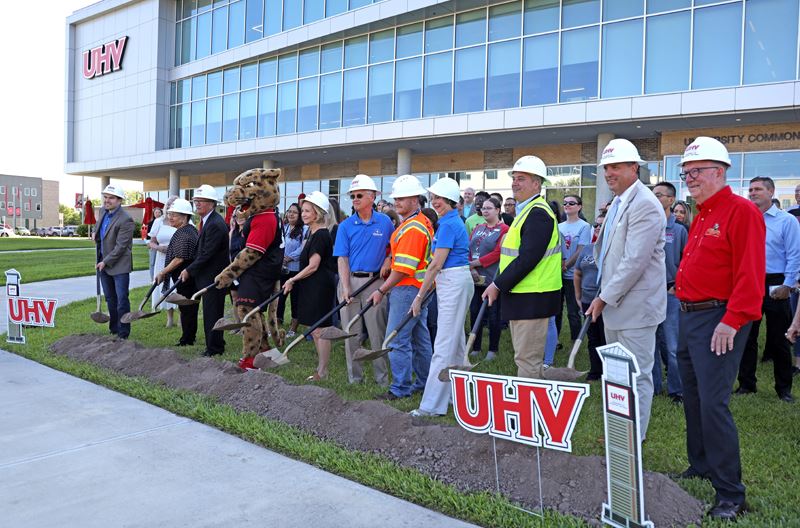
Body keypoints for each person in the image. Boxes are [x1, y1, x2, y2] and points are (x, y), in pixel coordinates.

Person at [673, 136, 766, 520]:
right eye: (686, 173)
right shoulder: (703, 213)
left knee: (713, 404)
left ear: (720, 171)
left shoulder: (740, 211)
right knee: (693, 397)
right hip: (690, 316)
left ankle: (731, 494)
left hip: (719, 318)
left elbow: (750, 273)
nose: (690, 178)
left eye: (697, 171)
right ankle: (701, 464)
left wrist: (732, 320)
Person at [586, 138, 666, 439]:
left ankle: (636, 436)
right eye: (606, 168)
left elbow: (634, 262)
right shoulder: (619, 202)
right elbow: (609, 253)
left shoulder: (644, 204)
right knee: (618, 373)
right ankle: (622, 430)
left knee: (637, 374)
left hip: (636, 308)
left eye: (616, 166)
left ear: (635, 167)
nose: (609, 173)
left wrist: (604, 297)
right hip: (616, 305)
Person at [482, 156, 561, 379]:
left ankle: (531, 411)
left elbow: (528, 258)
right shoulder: (525, 211)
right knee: (524, 359)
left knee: (528, 362)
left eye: (522, 179)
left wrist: (497, 285)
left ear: (537, 183)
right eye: (514, 178)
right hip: (522, 295)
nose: (515, 183)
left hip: (533, 298)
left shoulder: (538, 213)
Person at [411, 177, 474, 417]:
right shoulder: (449, 221)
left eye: (439, 198)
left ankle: (431, 406)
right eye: (433, 198)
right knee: (455, 344)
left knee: (444, 344)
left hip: (453, 280)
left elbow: (435, 264)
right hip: (453, 280)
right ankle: (456, 398)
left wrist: (419, 296)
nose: (435, 202)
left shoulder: (449, 224)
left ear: (450, 200)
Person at [368, 175, 434, 400]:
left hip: (408, 289)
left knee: (397, 338)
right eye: (396, 198)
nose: (397, 202)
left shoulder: (414, 227)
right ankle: (425, 382)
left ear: (415, 200)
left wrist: (381, 290)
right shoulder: (415, 222)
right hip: (418, 289)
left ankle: (400, 388)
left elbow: (404, 269)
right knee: (419, 337)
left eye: (402, 198)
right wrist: (389, 258)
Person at [735, 176, 798, 402]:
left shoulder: (786, 221)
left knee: (779, 339)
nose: (752, 193)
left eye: (758, 189)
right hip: (748, 281)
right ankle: (746, 384)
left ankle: (784, 389)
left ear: (771, 192)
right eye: (750, 189)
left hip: (776, 282)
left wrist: (788, 285)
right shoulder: (743, 219)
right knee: (747, 336)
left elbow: (794, 255)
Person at [334, 175, 393, 386]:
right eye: (352, 196)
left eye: (359, 195)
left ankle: (382, 378)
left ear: (373, 196)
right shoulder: (346, 226)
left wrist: (388, 259)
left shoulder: (385, 222)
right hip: (350, 280)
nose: (355, 199)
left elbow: (393, 248)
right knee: (351, 332)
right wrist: (346, 287)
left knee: (377, 331)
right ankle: (355, 378)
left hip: (375, 282)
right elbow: (342, 258)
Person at [283, 191, 337, 381]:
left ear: (318, 213)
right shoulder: (312, 233)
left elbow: (313, 266)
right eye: (303, 211)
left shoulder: (321, 235)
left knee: (320, 329)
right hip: (313, 285)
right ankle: (321, 370)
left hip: (320, 286)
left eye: (308, 211)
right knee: (315, 329)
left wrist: (292, 279)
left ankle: (322, 371)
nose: (303, 214)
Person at [180, 185, 229, 357]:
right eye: (195, 201)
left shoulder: (215, 223)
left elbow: (207, 253)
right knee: (211, 312)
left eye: (201, 201)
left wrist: (189, 269)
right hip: (207, 276)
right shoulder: (209, 221)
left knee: (212, 313)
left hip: (213, 277)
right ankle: (216, 343)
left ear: (212, 203)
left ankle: (214, 349)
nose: (197, 203)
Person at [651, 182, 688, 404]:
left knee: (672, 345)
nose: (654, 198)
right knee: (649, 344)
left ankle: (677, 389)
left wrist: (679, 286)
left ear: (670, 200)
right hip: (647, 294)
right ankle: (654, 386)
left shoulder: (679, 230)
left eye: (659, 195)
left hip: (671, 293)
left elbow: (687, 262)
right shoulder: (646, 225)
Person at [468, 197, 509, 361]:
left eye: (489, 208)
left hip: (493, 278)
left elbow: (499, 252)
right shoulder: (478, 228)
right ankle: (475, 347)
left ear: (498, 210)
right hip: (475, 277)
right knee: (474, 312)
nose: (485, 211)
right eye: (483, 208)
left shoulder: (505, 229)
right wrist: (472, 268)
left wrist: (477, 263)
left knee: (493, 314)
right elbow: (468, 247)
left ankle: (493, 349)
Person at [157, 199, 199, 347]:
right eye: (169, 214)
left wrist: (163, 272)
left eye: (174, 215)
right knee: (188, 308)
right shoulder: (186, 230)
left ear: (185, 216)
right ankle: (188, 337)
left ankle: (187, 340)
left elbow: (179, 258)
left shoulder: (184, 233)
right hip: (186, 277)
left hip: (186, 278)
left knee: (187, 309)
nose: (170, 217)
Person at [94, 184, 134, 340]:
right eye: (105, 197)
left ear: (119, 200)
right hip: (103, 263)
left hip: (119, 265)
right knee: (110, 298)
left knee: (122, 299)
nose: (107, 200)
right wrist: (96, 236)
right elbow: (100, 233)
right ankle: (114, 328)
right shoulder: (103, 211)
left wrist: (106, 261)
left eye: (111, 198)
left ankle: (124, 332)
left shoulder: (126, 219)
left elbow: (121, 247)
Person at [573, 214, 605, 380]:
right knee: (592, 338)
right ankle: (595, 372)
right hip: (586, 300)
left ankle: (609, 373)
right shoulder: (587, 248)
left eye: (602, 225)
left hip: (605, 301)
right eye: (596, 225)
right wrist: (578, 296)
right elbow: (578, 273)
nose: (598, 228)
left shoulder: (611, 249)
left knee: (605, 337)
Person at [558, 194, 591, 343]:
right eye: (565, 203)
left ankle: (575, 341)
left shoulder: (584, 226)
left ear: (579, 206)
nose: (567, 205)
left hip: (573, 275)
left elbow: (580, 250)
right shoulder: (559, 226)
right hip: (557, 275)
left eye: (571, 203)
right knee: (556, 311)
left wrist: (565, 266)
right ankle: (555, 341)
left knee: (573, 311)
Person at [278, 203, 305, 337]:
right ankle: (277, 325)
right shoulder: (285, 227)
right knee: (280, 298)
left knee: (295, 300)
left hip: (296, 271)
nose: (291, 214)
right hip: (282, 270)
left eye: (294, 212)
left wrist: (289, 257)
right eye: (289, 211)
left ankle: (293, 329)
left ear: (299, 215)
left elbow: (303, 248)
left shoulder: (304, 229)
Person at [149, 198, 177, 327]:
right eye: (169, 204)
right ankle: (169, 318)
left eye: (174, 205)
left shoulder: (184, 221)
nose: (171, 207)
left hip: (177, 258)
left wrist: (172, 249)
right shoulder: (158, 222)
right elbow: (152, 242)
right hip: (161, 258)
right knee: (164, 286)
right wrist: (158, 247)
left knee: (176, 286)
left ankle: (182, 317)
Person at [147, 206, 163, 281]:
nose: (157, 214)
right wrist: (148, 243)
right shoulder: (150, 223)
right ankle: (152, 278)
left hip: (160, 245)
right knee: (152, 262)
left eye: (159, 212)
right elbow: (148, 235)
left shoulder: (163, 222)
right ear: (153, 214)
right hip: (153, 244)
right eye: (156, 212)